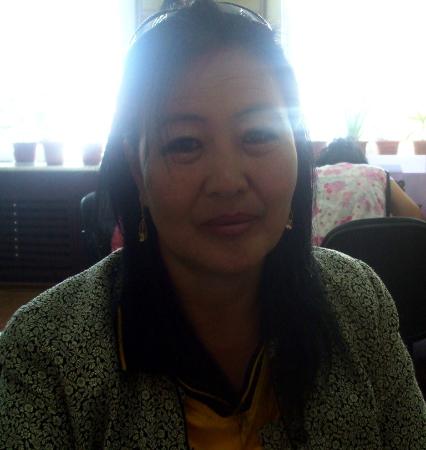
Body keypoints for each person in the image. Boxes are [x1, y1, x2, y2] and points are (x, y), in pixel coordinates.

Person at [1, 1, 425, 448]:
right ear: (138, 170)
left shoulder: (359, 300)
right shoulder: (45, 354)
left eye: (258, 135)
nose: (227, 181)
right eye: (185, 143)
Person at [313, 138, 424, 245]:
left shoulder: (313, 176)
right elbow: (415, 216)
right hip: (372, 254)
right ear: (362, 162)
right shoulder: (376, 174)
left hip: (321, 255)